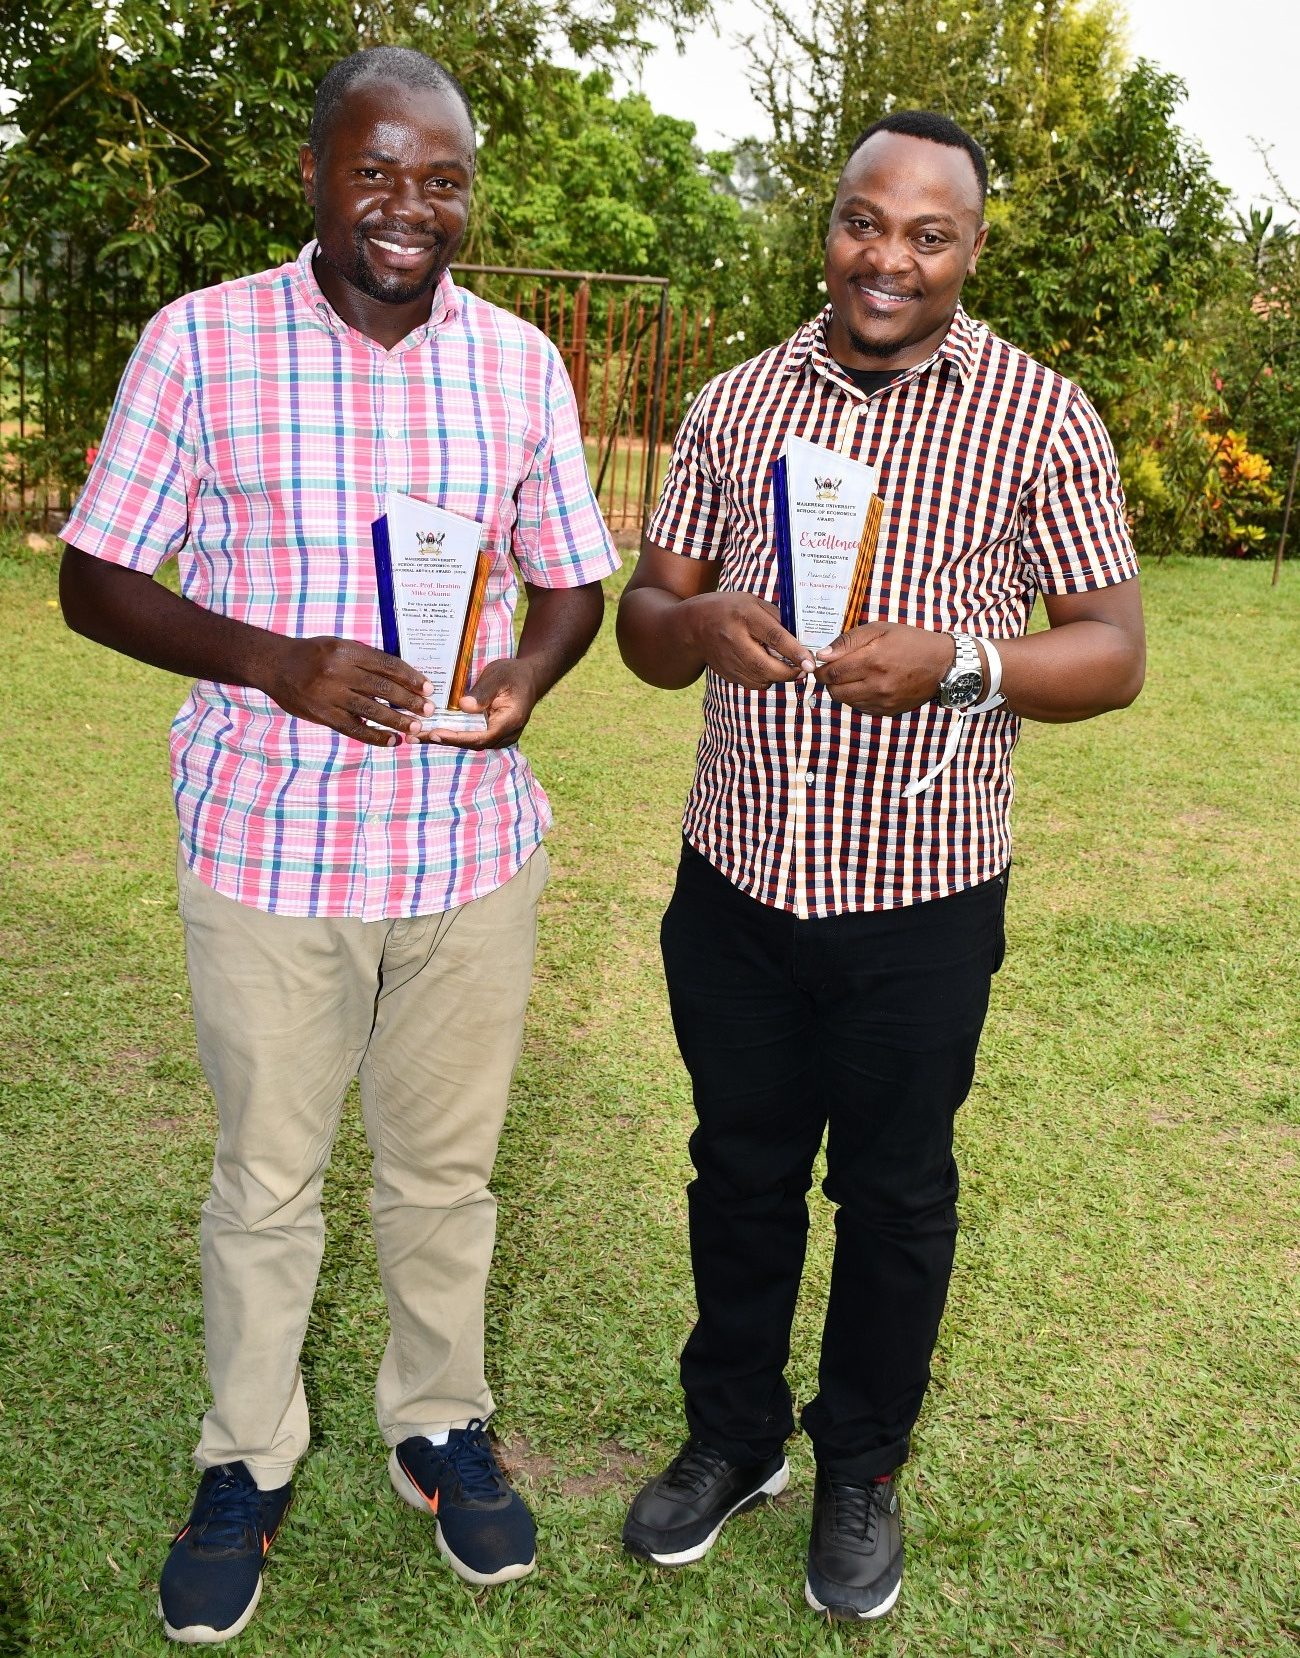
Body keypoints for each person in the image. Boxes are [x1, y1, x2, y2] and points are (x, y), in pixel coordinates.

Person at [59, 46, 618, 1646]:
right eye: (377, 170)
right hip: (270, 847)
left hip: (465, 849)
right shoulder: (203, 342)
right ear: (315, 176)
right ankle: (246, 1454)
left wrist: (529, 673)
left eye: (441, 179)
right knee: (268, 1181)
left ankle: (439, 1420)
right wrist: (275, 660)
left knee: (444, 1175)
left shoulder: (517, 366)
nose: (408, 207)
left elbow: (572, 576)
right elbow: (94, 579)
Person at [616, 110, 1145, 1623]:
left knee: (900, 1192)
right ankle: (733, 1438)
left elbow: (1112, 652)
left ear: (973, 249)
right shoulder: (734, 404)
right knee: (741, 1166)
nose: (888, 258)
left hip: (923, 892)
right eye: (865, 221)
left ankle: (860, 1464)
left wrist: (964, 661)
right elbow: (650, 625)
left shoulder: (1039, 415)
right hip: (738, 879)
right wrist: (703, 623)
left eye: (928, 233)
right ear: (827, 226)